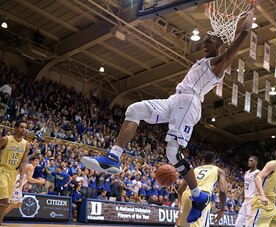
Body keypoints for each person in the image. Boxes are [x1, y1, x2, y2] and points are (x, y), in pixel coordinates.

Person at [81, 3, 255, 223]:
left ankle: (199, 197)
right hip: (175, 100)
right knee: (134, 109)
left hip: (189, 102)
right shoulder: (202, 61)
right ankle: (113, 157)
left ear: (220, 43)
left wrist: (250, 14)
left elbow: (243, 36)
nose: (205, 39)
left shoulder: (219, 63)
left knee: (173, 154)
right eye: (205, 37)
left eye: (210, 37)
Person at [176, 151, 226, 227]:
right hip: (201, 197)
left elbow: (180, 190)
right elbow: (222, 190)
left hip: (186, 195)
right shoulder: (219, 170)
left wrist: (180, 203)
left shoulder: (195, 169)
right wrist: (222, 209)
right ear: (214, 161)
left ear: (203, 161)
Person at [247, 147, 276, 227]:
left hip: (271, 205)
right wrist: (262, 196)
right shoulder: (273, 164)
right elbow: (258, 178)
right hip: (261, 203)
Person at [0, 120, 30, 224]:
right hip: (2, 170)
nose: (23, 129)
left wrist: (21, 178)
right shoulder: (5, 139)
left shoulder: (26, 144)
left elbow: (22, 163)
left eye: (25, 128)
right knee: (3, 199)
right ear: (16, 128)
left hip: (13, 173)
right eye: (21, 127)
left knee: (7, 202)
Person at [235, 156, 260, 227]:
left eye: (251, 161)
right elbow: (245, 187)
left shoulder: (258, 173)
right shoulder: (246, 172)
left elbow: (261, 187)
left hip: (253, 200)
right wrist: (242, 200)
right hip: (246, 200)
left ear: (256, 162)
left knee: (248, 223)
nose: (249, 162)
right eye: (249, 161)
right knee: (238, 222)